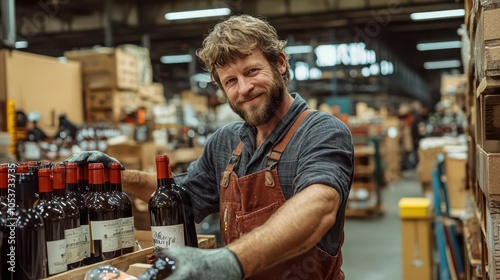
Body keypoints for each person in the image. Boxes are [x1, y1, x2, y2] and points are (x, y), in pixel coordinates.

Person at [68, 14, 354, 280]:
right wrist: (118, 176)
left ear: (280, 63)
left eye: (252, 71)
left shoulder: (321, 131)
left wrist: (228, 261)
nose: (244, 88)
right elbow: (179, 196)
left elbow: (319, 207)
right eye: (231, 81)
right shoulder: (225, 143)